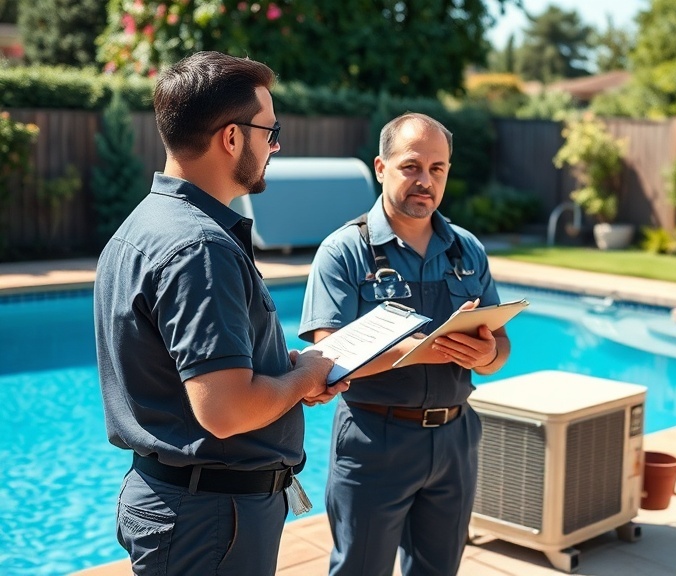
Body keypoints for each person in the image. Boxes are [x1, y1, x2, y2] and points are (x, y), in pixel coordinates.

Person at [93, 51, 338, 575]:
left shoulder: (143, 226)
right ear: (231, 138)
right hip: (210, 520)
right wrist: (306, 376)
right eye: (271, 131)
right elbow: (224, 411)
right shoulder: (199, 248)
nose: (275, 146)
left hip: (183, 505)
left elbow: (187, 373)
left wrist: (286, 370)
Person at [299, 112, 512, 576]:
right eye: (411, 166)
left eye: (437, 169)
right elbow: (327, 357)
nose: (425, 180)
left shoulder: (467, 250)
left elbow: (499, 345)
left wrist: (488, 354)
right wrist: (438, 346)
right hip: (376, 441)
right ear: (381, 167)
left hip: (456, 439)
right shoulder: (343, 252)